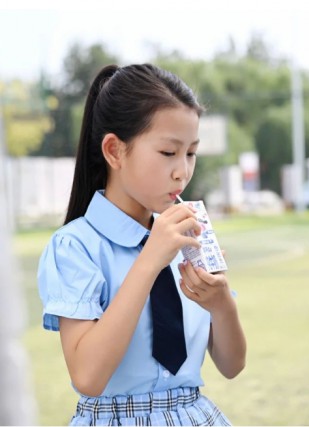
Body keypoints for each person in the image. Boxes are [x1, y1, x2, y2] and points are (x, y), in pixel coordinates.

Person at [37, 64, 246, 426]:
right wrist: (150, 260)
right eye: (168, 153)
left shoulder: (188, 237)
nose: (183, 171)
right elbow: (87, 377)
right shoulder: (75, 247)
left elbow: (231, 365)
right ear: (115, 151)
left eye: (191, 153)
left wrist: (221, 303)